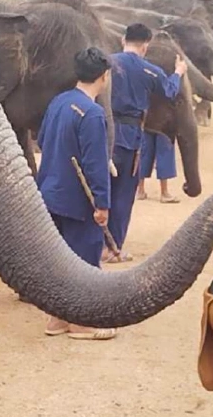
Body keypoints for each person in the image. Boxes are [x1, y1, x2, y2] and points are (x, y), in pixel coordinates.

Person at [36, 47, 116, 341]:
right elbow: (95, 166)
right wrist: (103, 204)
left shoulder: (59, 102)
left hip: (50, 192)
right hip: (77, 199)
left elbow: (43, 140)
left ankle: (56, 318)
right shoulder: (92, 114)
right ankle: (81, 322)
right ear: (103, 76)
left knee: (59, 260)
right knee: (84, 260)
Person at [107, 23, 184, 263]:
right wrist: (179, 72)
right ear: (146, 45)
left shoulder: (106, 63)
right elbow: (169, 92)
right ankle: (113, 248)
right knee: (122, 194)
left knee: (101, 189)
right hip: (130, 136)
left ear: (123, 39)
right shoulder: (150, 70)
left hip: (104, 131)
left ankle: (92, 245)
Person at [135, 130, 179, 203]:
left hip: (147, 122)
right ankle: (164, 192)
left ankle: (140, 190)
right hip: (164, 123)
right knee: (164, 152)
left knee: (145, 152)